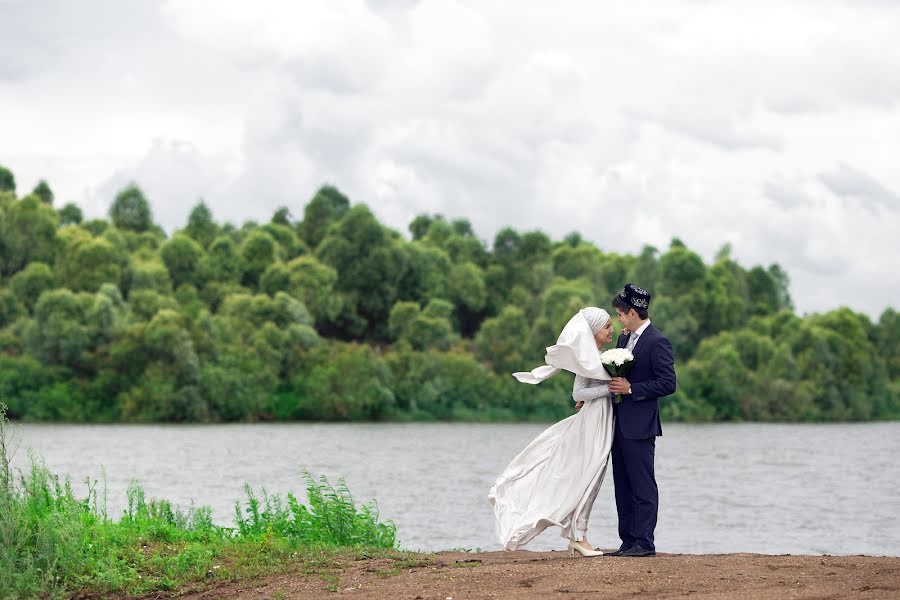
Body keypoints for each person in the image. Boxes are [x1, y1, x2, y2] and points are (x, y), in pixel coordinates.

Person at [489, 307, 615, 557]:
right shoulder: (586, 360)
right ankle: (579, 536)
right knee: (586, 477)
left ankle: (578, 535)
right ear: (593, 331)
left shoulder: (601, 356)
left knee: (594, 476)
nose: (612, 330)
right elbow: (578, 394)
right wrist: (611, 389)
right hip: (591, 423)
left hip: (603, 420)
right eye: (607, 327)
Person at [606, 284, 677, 557]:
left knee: (642, 485)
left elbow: (668, 383)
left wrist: (632, 389)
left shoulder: (658, 342)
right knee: (622, 484)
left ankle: (645, 543)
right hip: (619, 423)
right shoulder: (625, 339)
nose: (619, 320)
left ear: (633, 313)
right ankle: (628, 541)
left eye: (620, 315)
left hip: (641, 425)